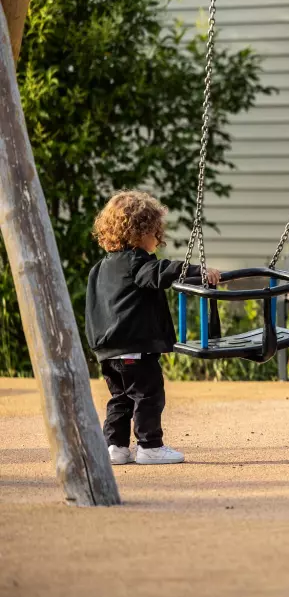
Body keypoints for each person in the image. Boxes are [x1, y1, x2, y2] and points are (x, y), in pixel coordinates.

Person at [85, 190, 221, 465]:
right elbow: (162, 272)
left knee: (120, 398)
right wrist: (199, 271)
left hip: (107, 351)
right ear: (140, 232)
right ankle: (150, 446)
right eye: (156, 233)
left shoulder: (100, 268)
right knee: (149, 395)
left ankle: (115, 447)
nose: (159, 240)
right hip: (135, 347)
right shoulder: (137, 262)